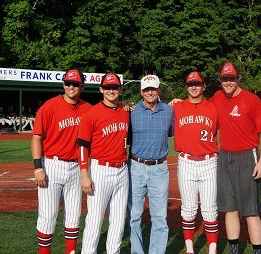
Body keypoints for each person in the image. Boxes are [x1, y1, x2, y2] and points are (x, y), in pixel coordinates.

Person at [209, 62, 261, 254]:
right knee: (230, 208)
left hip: (247, 157)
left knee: (250, 211)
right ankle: (234, 249)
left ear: (238, 79)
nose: (228, 82)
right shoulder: (217, 97)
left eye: (231, 78)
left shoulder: (251, 100)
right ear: (220, 81)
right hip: (225, 157)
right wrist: (178, 101)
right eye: (224, 79)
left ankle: (258, 250)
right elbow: (200, 106)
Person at [31, 69, 92, 254]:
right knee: (48, 216)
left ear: (82, 86)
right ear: (63, 85)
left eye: (75, 84)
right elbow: (36, 137)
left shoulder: (88, 108)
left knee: (73, 216)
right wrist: (37, 168)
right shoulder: (49, 107)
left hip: (76, 167)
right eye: (68, 83)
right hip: (52, 165)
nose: (71, 87)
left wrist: (124, 105)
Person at [77, 72, 130, 254]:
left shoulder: (125, 111)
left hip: (122, 170)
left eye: (114, 87)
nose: (111, 91)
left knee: (118, 219)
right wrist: (84, 175)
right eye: (107, 88)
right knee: (95, 219)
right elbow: (83, 146)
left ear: (120, 89)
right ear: (101, 90)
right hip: (100, 169)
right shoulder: (91, 114)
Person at [172, 71, 219, 254]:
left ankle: (212, 250)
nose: (194, 87)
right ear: (186, 87)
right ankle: (190, 249)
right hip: (186, 162)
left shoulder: (214, 107)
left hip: (209, 163)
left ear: (204, 86)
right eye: (191, 84)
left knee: (209, 209)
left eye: (197, 84)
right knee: (188, 209)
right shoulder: (176, 107)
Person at [127, 74, 174, 254]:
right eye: (147, 89)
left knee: (160, 217)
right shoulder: (131, 111)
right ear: (141, 91)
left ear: (159, 90)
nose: (150, 92)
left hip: (159, 169)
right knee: (134, 216)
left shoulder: (169, 111)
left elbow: (172, 132)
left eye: (153, 89)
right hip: (135, 168)